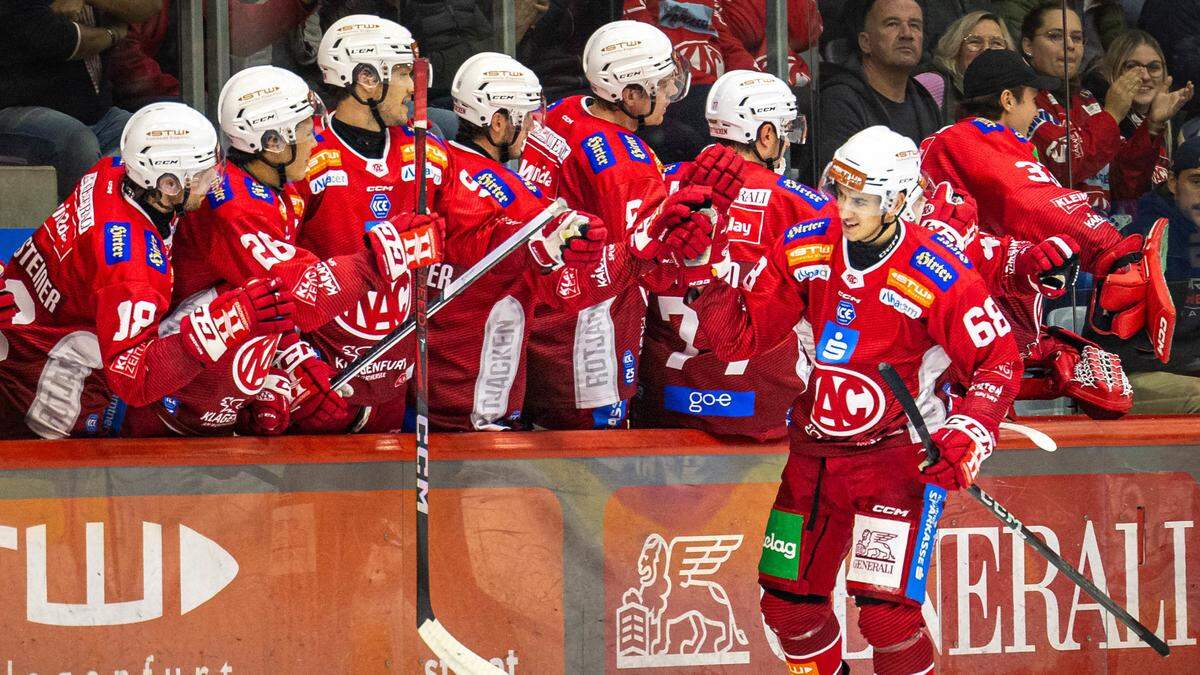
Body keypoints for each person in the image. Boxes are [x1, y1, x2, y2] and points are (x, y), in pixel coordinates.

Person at [665, 127, 1022, 675]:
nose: (846, 210)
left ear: (899, 199)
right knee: (787, 608)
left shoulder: (938, 270)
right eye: (840, 194)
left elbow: (999, 358)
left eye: (862, 199)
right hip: (813, 457)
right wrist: (713, 272)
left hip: (898, 461)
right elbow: (739, 338)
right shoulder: (807, 243)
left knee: (886, 619)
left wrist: (970, 433)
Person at [123, 65, 440, 436]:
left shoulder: (279, 187)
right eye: (306, 131)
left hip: (220, 386)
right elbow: (300, 297)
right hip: (173, 403)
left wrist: (288, 359)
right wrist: (384, 254)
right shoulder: (233, 207)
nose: (316, 141)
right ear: (273, 142)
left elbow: (265, 301)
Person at [0, 102, 296, 439]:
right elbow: (135, 380)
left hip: (25, 341)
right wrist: (226, 323)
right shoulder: (133, 270)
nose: (215, 182)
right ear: (168, 184)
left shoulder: (108, 172)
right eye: (202, 174)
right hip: (51, 405)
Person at [921, 48, 1175, 367]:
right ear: (1008, 101)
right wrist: (1115, 252)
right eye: (1032, 99)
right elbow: (1034, 204)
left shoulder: (981, 144)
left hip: (970, 334)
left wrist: (1041, 349)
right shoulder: (971, 138)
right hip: (950, 342)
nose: (1035, 110)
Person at [428, 51, 621, 430]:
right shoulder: (517, 195)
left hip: (423, 390)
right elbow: (562, 292)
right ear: (498, 122)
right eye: (528, 118)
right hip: (479, 404)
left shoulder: (437, 163)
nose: (537, 128)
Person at [517, 20, 693, 429]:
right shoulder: (628, 165)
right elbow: (650, 258)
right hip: (590, 340)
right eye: (661, 84)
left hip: (542, 317)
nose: (670, 94)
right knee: (593, 468)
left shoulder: (564, 112)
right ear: (631, 94)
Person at [635, 70, 814, 441]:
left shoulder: (663, 183)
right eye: (786, 129)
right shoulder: (804, 205)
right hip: (763, 413)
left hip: (666, 405)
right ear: (766, 134)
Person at [293, 14, 447, 433]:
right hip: (321, 387)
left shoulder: (426, 149)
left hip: (394, 380)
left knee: (389, 498)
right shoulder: (306, 157)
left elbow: (479, 218)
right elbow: (275, 276)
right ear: (364, 79)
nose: (416, 86)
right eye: (402, 73)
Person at [0, 0, 159, 200]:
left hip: (98, 116)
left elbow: (150, 6)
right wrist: (112, 34)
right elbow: (66, 41)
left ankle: (132, 223)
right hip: (17, 112)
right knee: (77, 141)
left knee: (149, 134)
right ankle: (88, 227)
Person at [1093, 137, 1200, 413]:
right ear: (1174, 183)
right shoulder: (1139, 241)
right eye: (1197, 182)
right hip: (1133, 376)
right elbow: (1112, 346)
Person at [816, 0, 942, 175]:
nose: (907, 34)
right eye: (892, 24)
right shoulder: (839, 101)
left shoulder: (925, 100)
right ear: (865, 42)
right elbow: (839, 186)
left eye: (915, 25)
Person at [1085, 30, 1193, 221]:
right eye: (1132, 66)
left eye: (1154, 67)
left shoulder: (1175, 126)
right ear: (1113, 71)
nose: (1144, 76)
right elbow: (1126, 193)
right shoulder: (1097, 118)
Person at [929, 10, 1016, 119]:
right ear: (956, 49)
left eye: (996, 43)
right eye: (974, 41)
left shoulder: (1015, 97)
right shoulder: (935, 85)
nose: (986, 50)